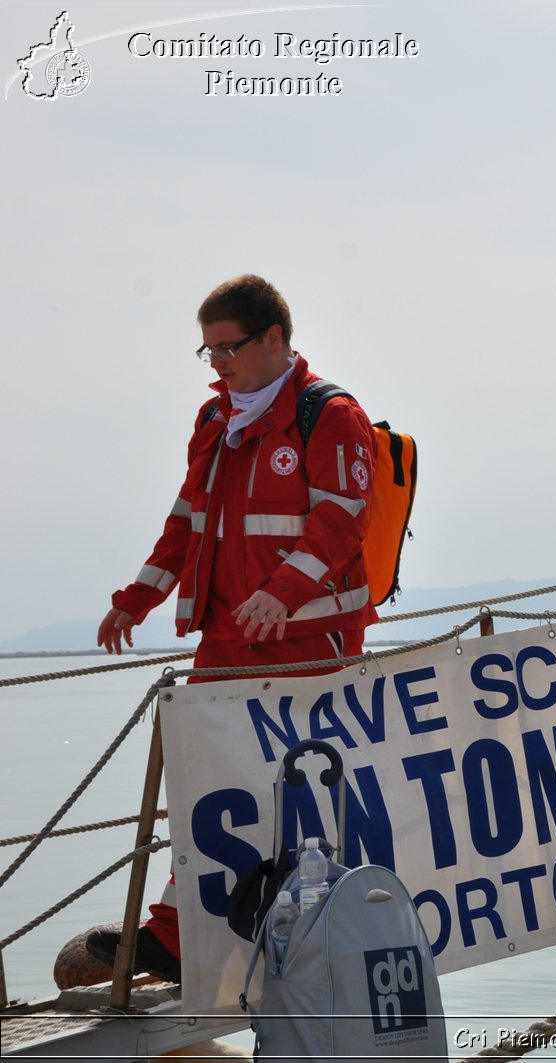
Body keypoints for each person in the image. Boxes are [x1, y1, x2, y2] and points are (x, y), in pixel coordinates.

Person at [86, 274, 377, 982]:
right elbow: (186, 521)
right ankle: (177, 937)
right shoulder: (216, 421)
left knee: (296, 790)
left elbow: (342, 518)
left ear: (273, 338)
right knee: (203, 783)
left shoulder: (331, 415)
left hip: (309, 642)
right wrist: (135, 599)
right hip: (225, 641)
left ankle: (312, 924)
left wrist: (282, 593)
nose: (217, 363)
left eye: (229, 347)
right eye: (207, 350)